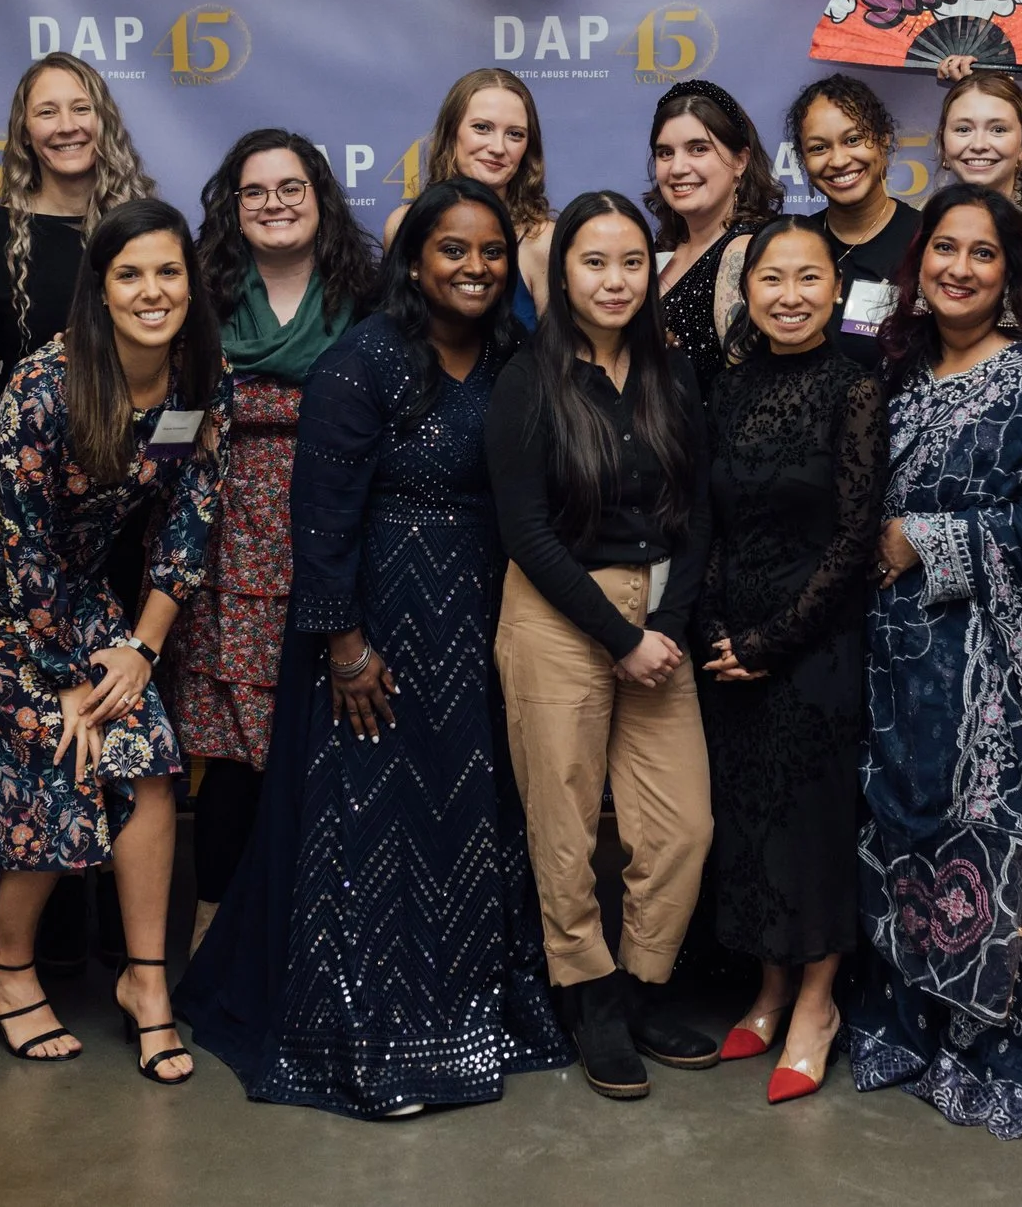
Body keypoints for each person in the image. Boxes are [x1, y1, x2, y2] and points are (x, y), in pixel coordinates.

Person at [181, 179, 572, 1117]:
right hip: (381, 621)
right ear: (414, 260)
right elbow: (318, 519)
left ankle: (469, 1007)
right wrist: (346, 646)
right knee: (374, 821)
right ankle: (366, 1020)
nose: (474, 269)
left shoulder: (517, 353)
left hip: (483, 614)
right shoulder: (364, 360)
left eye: (489, 252)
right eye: (453, 250)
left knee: (471, 812)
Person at [0, 198, 229, 1086]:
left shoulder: (204, 375)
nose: (153, 290)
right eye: (130, 273)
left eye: (169, 271)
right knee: (67, 745)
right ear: (100, 287)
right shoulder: (49, 381)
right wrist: (59, 684)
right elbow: (16, 542)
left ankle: (146, 983)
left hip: (72, 586)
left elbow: (188, 525)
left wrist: (139, 650)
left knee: (148, 752)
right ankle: (5, 967)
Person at [850, 182, 1022, 1139]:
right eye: (943, 250)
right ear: (916, 262)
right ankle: (916, 1021)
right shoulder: (897, 371)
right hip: (898, 659)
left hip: (1002, 664)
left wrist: (931, 536)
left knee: (995, 832)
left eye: (982, 253)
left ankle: (999, 1035)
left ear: (1012, 272)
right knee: (905, 833)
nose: (958, 269)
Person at [486, 190, 721, 1099]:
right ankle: (587, 998)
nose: (614, 280)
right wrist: (619, 634)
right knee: (566, 825)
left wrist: (663, 627)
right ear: (561, 272)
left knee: (683, 826)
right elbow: (525, 530)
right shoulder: (527, 379)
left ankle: (640, 983)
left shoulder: (674, 374)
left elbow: (698, 514)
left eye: (632, 262)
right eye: (594, 262)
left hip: (657, 621)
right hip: (557, 615)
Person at [168, 130, 373, 958]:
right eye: (256, 192)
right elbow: (166, 416)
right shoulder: (202, 295)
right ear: (234, 207)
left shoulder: (366, 295)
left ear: (320, 198)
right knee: (230, 750)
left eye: (292, 187)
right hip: (224, 552)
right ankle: (216, 932)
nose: (276, 204)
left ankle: (323, 933)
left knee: (330, 741)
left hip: (336, 538)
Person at [695, 218, 884, 1104]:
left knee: (812, 825)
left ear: (835, 291)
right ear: (748, 291)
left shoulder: (854, 387)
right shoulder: (726, 391)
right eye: (773, 278)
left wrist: (773, 643)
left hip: (816, 644)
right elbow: (710, 521)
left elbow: (853, 539)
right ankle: (768, 987)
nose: (790, 295)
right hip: (733, 646)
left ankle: (816, 1004)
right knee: (752, 818)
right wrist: (719, 634)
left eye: (809, 277)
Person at [0, 51, 157, 419]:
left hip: (145, 449)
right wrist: (28, 433)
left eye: (81, 108)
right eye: (47, 112)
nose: (66, 126)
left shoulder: (146, 226)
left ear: (104, 120)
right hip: (43, 462)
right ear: (24, 132)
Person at [383, 68, 555, 326]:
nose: (498, 148)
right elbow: (391, 332)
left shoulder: (542, 240)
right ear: (452, 134)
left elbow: (555, 355)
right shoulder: (402, 225)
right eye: (482, 128)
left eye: (515, 134)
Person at [647, 81, 784, 401]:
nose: (678, 168)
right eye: (665, 153)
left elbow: (749, 401)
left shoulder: (742, 252)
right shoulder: (664, 250)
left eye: (698, 148)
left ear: (740, 161)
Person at [790, 74, 921, 370]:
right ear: (803, 161)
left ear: (883, 140)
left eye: (853, 140)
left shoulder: (925, 241)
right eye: (819, 148)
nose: (838, 160)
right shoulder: (794, 243)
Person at [931, 66, 1022, 209]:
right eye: (963, 129)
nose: (979, 145)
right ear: (943, 142)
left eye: (998, 130)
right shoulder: (926, 225)